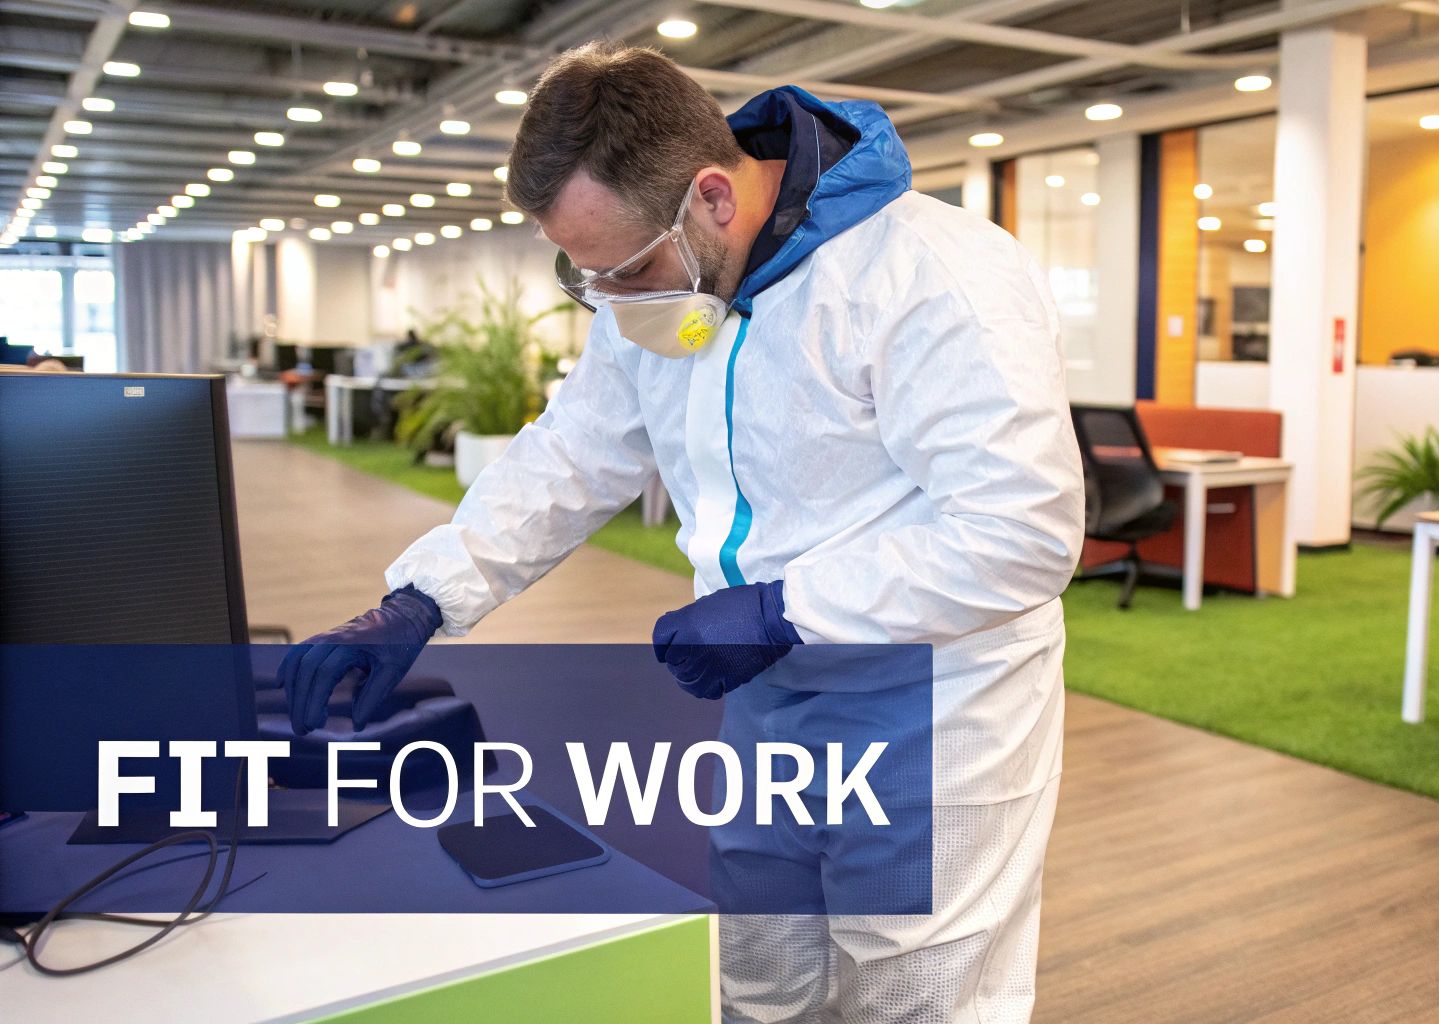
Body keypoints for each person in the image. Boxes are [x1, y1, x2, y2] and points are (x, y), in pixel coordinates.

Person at [280, 41, 1084, 1023]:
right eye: (583, 277)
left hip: (934, 698)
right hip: (765, 687)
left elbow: (1020, 528)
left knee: (913, 990)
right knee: (761, 978)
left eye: (620, 268)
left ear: (711, 196)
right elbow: (574, 452)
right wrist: (421, 597)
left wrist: (792, 609)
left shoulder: (930, 272)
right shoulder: (665, 291)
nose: (610, 301)